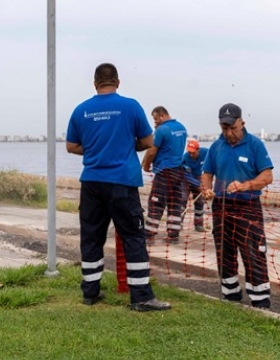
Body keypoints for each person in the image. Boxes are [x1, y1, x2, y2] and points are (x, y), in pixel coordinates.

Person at [66, 62, 171, 312]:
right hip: (122, 183)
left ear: (94, 83)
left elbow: (71, 146)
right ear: (118, 82)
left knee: (91, 236)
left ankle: (90, 293)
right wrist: (126, 144)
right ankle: (141, 297)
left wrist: (93, 148)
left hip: (91, 182)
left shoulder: (81, 110)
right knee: (133, 237)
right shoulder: (130, 106)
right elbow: (148, 141)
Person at [201, 103, 274, 309]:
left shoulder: (255, 145)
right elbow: (207, 173)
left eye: (233, 128)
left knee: (253, 252)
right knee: (224, 251)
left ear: (242, 123)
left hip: (248, 205)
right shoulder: (216, 147)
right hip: (222, 206)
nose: (229, 133)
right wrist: (206, 188)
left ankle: (260, 300)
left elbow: (267, 176)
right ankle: (230, 296)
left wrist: (246, 185)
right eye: (225, 128)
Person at [141, 106, 188, 244]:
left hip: (164, 171)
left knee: (156, 202)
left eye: (155, 119)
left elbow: (151, 151)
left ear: (162, 116)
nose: (155, 122)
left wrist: (146, 165)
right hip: (179, 171)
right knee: (175, 202)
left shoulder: (162, 130)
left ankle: (149, 234)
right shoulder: (181, 127)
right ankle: (173, 235)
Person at [181, 138, 209, 232]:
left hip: (199, 177)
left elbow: (213, 162)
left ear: (198, 150)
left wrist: (205, 182)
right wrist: (199, 185)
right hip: (186, 178)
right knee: (182, 200)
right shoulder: (185, 157)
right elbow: (185, 174)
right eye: (189, 152)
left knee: (200, 201)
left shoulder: (206, 153)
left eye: (193, 152)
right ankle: (178, 224)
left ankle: (198, 224)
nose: (191, 154)